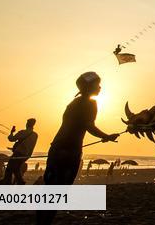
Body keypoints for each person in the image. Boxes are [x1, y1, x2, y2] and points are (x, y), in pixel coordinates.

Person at [37, 72, 119, 225]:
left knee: (49, 189)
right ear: (89, 86)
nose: (100, 87)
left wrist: (104, 136)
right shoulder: (91, 103)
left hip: (56, 148)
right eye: (97, 84)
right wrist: (107, 136)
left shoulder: (73, 103)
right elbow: (89, 126)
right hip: (70, 151)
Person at [0, 118, 38, 185]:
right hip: (26, 155)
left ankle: (7, 182)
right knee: (16, 168)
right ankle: (20, 182)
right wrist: (28, 155)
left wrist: (12, 132)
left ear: (27, 124)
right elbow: (32, 147)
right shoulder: (35, 135)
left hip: (18, 153)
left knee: (9, 168)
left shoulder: (22, 132)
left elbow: (11, 139)